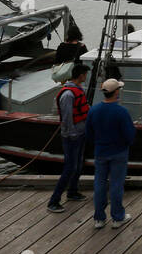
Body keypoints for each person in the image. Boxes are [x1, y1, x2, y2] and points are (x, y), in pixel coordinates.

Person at [88, 77, 136, 229]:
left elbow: (89, 133)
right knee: (116, 184)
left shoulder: (93, 110)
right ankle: (117, 217)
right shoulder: (121, 112)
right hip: (119, 152)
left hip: (100, 151)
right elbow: (129, 135)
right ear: (116, 92)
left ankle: (99, 219)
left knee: (99, 184)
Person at [46, 60, 90, 212]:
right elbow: (66, 118)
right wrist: (71, 134)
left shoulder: (79, 90)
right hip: (72, 136)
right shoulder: (68, 94)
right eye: (85, 74)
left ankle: (72, 191)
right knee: (69, 168)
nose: (86, 77)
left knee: (78, 165)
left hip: (81, 133)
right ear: (80, 76)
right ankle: (53, 201)